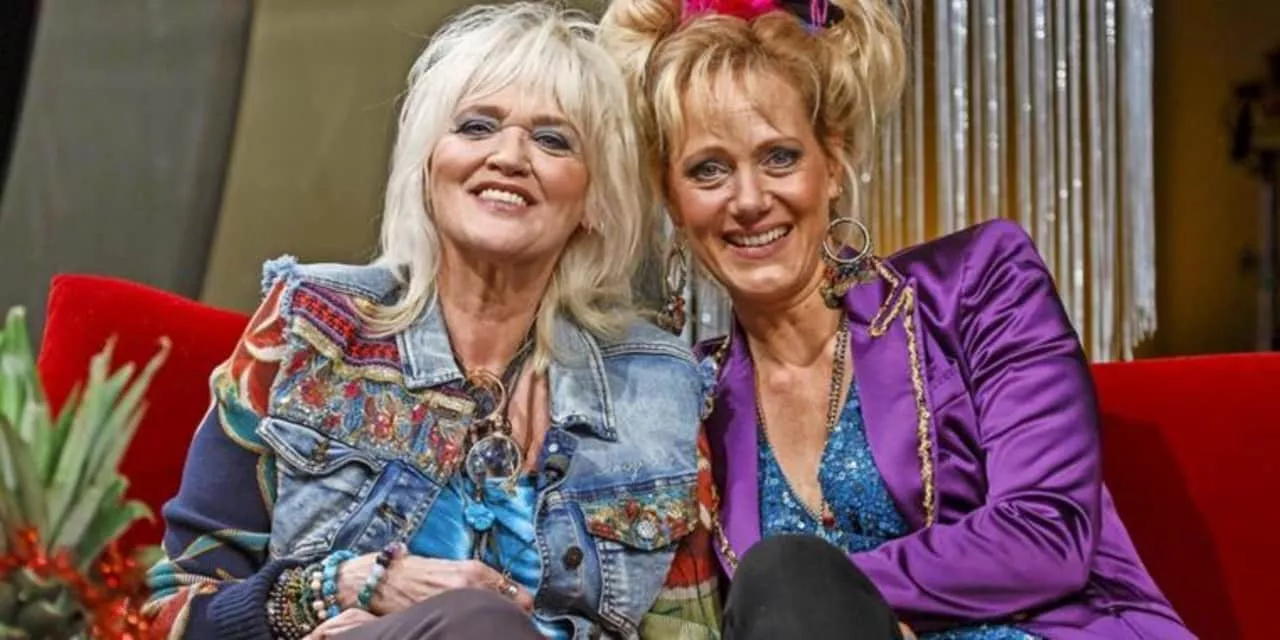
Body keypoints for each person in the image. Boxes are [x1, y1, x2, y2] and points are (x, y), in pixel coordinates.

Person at [599, 0, 1195, 638]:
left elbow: (1048, 533)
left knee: (783, 580)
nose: (748, 200)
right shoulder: (686, 396)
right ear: (672, 198)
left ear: (833, 162)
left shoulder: (981, 282)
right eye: (708, 170)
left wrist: (831, 600)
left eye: (779, 158)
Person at [142, 4, 711, 638]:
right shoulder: (310, 327)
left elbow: (693, 630)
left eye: (553, 140)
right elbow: (166, 615)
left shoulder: (658, 386)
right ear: (427, 165)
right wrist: (334, 588)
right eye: (476, 126)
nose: (509, 155)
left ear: (595, 200)